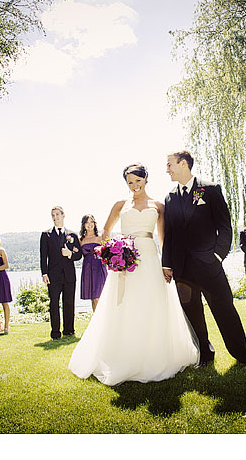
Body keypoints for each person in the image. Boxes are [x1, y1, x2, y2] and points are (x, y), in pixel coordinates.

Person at [69, 164, 199, 384]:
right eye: (130, 182)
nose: (134, 186)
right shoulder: (121, 205)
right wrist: (112, 253)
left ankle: (155, 355)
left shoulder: (158, 205)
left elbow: (163, 237)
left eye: (137, 181)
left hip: (149, 257)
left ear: (146, 178)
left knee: (152, 303)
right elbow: (106, 232)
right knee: (125, 304)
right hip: (124, 261)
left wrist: (166, 264)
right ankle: (122, 355)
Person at [162, 150, 246, 368]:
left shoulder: (210, 189)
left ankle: (244, 355)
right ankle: (205, 354)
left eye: (169, 165)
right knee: (193, 314)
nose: (166, 169)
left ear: (183, 164)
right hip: (183, 269)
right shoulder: (170, 197)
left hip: (209, 265)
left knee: (225, 309)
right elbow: (170, 234)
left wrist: (216, 256)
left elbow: (224, 226)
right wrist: (166, 264)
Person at [40, 206, 82, 340]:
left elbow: (79, 255)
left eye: (57, 214)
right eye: (53, 215)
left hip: (69, 275)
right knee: (54, 303)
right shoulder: (46, 235)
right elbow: (43, 256)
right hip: (53, 275)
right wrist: (44, 274)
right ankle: (55, 333)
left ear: (63, 215)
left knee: (69, 302)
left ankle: (69, 330)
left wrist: (70, 254)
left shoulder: (72, 235)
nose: (55, 217)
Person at [78, 214, 107, 311]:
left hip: (99, 268)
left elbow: (108, 253)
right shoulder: (81, 240)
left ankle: (103, 320)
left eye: (91, 222)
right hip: (87, 269)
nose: (89, 224)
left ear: (94, 223)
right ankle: (96, 322)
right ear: (83, 225)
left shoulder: (100, 238)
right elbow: (77, 255)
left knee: (100, 296)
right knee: (93, 298)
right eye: (87, 222)